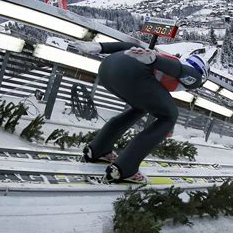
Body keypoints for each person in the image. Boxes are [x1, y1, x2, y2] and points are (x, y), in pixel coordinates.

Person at [72, 40, 209, 183]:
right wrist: (153, 60)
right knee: (169, 116)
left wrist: (100, 47)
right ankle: (125, 169)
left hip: (107, 69)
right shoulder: (192, 75)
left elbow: (128, 46)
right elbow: (184, 71)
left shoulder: (156, 55)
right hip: (134, 74)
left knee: (140, 107)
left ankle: (98, 149)